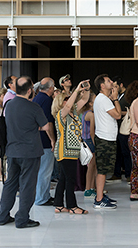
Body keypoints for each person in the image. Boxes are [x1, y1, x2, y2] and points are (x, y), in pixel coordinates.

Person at [0, 76, 52, 229]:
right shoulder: (34, 107)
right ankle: (22, 219)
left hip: (12, 151)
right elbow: (46, 127)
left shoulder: (8, 105)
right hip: (30, 152)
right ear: (29, 91)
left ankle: (3, 216)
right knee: (27, 185)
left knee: (10, 184)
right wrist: (35, 127)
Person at [52, 79, 92, 215]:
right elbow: (68, 107)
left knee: (64, 178)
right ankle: (72, 206)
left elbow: (85, 100)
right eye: (66, 99)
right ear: (61, 102)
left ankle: (58, 204)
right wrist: (76, 91)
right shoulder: (61, 115)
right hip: (65, 150)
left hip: (72, 150)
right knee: (70, 179)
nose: (70, 101)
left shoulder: (74, 114)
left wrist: (85, 88)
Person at [92, 74, 122, 210]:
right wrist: (116, 99)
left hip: (106, 137)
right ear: (102, 86)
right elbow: (117, 115)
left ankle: (100, 196)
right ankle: (99, 200)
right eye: (109, 81)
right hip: (104, 138)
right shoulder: (104, 99)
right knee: (103, 170)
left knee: (104, 170)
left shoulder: (103, 99)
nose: (112, 82)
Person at [32, 77, 57, 206]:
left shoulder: (37, 98)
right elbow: (47, 122)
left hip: (37, 140)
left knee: (41, 170)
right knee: (45, 171)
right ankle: (41, 198)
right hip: (45, 141)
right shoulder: (47, 100)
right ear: (51, 88)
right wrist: (53, 140)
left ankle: (43, 195)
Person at [111, 76, 131, 181]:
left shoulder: (128, 97)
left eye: (115, 86)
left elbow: (130, 112)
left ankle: (128, 174)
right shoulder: (117, 96)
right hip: (117, 127)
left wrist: (118, 113)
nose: (113, 88)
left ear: (121, 85)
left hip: (124, 128)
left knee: (125, 151)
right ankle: (117, 173)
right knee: (117, 151)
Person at [81, 92, 97, 198]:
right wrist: (94, 143)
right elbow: (92, 132)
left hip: (85, 139)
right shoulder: (90, 114)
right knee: (91, 166)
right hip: (89, 140)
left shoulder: (84, 113)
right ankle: (88, 188)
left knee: (92, 166)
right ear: (91, 103)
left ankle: (91, 188)